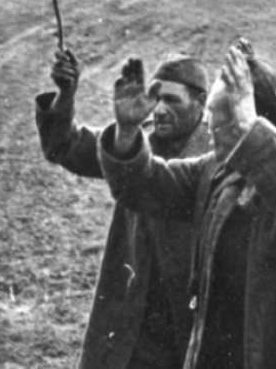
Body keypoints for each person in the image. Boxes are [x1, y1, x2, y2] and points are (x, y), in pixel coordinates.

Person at [98, 41, 276, 369]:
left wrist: (252, 133)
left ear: (254, 122)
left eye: (222, 116)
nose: (209, 126)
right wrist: (127, 132)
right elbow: (148, 184)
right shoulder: (216, 170)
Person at [35, 49, 211, 369]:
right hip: (136, 319)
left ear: (201, 103)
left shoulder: (220, 157)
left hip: (194, 324)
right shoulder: (132, 140)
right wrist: (66, 94)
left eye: (173, 100)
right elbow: (66, 145)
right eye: (155, 98)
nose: (159, 110)